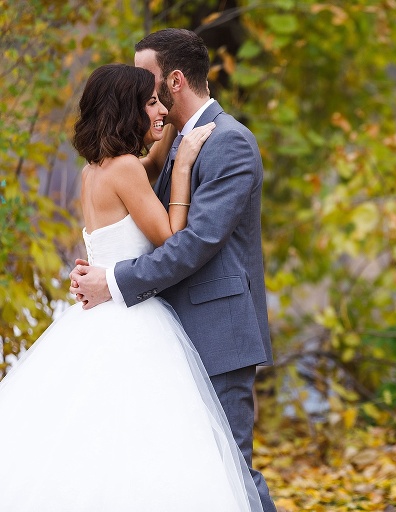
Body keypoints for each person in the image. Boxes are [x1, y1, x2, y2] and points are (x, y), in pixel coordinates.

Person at [0, 63, 264, 511]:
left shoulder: (94, 169)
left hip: (97, 316)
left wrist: (165, 154)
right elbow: (171, 238)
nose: (160, 109)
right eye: (151, 102)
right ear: (129, 109)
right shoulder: (126, 168)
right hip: (133, 321)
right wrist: (181, 169)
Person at [69, 29, 276, 512]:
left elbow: (194, 244)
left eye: (149, 80)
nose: (146, 93)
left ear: (175, 81)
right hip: (163, 337)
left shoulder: (230, 143)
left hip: (217, 334)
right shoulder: (157, 149)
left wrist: (113, 280)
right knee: (182, 475)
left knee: (231, 474)